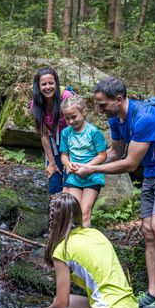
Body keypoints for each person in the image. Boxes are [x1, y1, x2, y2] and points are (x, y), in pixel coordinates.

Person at [75, 77, 155, 308]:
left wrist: (94, 170)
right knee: (148, 231)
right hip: (153, 172)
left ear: (118, 100)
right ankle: (153, 293)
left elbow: (129, 163)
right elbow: (116, 151)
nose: (98, 110)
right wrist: (84, 164)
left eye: (102, 104)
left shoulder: (145, 117)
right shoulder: (117, 119)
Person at [29, 193, 141, 308]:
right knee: (70, 300)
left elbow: (61, 304)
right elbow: (65, 301)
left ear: (53, 221)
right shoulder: (94, 234)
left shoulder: (62, 250)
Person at [59, 94, 107, 227]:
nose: (71, 121)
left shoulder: (94, 132)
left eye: (74, 117)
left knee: (85, 212)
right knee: (74, 211)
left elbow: (102, 156)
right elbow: (64, 156)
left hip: (92, 176)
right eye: (67, 118)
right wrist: (68, 164)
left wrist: (87, 167)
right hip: (75, 176)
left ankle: (86, 244)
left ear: (84, 112)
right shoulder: (66, 133)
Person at [29, 68, 73, 194]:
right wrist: (51, 162)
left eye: (51, 83)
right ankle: (55, 211)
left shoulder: (66, 97)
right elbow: (43, 134)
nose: (48, 87)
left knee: (70, 181)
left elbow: (80, 123)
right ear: (38, 86)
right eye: (44, 84)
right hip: (54, 145)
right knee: (54, 182)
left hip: (73, 143)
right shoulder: (36, 104)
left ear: (56, 84)